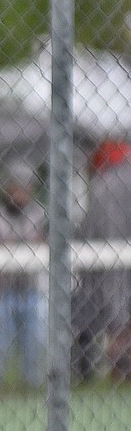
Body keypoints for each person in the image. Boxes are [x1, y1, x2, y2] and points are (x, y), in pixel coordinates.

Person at [74, 139, 131, 381]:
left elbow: (91, 231)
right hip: (111, 258)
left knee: (104, 313)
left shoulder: (103, 184)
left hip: (106, 261)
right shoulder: (111, 179)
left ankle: (111, 365)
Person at [0, 169, 47, 387]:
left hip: (30, 287)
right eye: (15, 186)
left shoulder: (38, 213)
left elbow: (37, 241)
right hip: (2, 288)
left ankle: (32, 383)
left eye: (25, 187)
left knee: (35, 338)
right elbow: (0, 240)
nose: (20, 192)